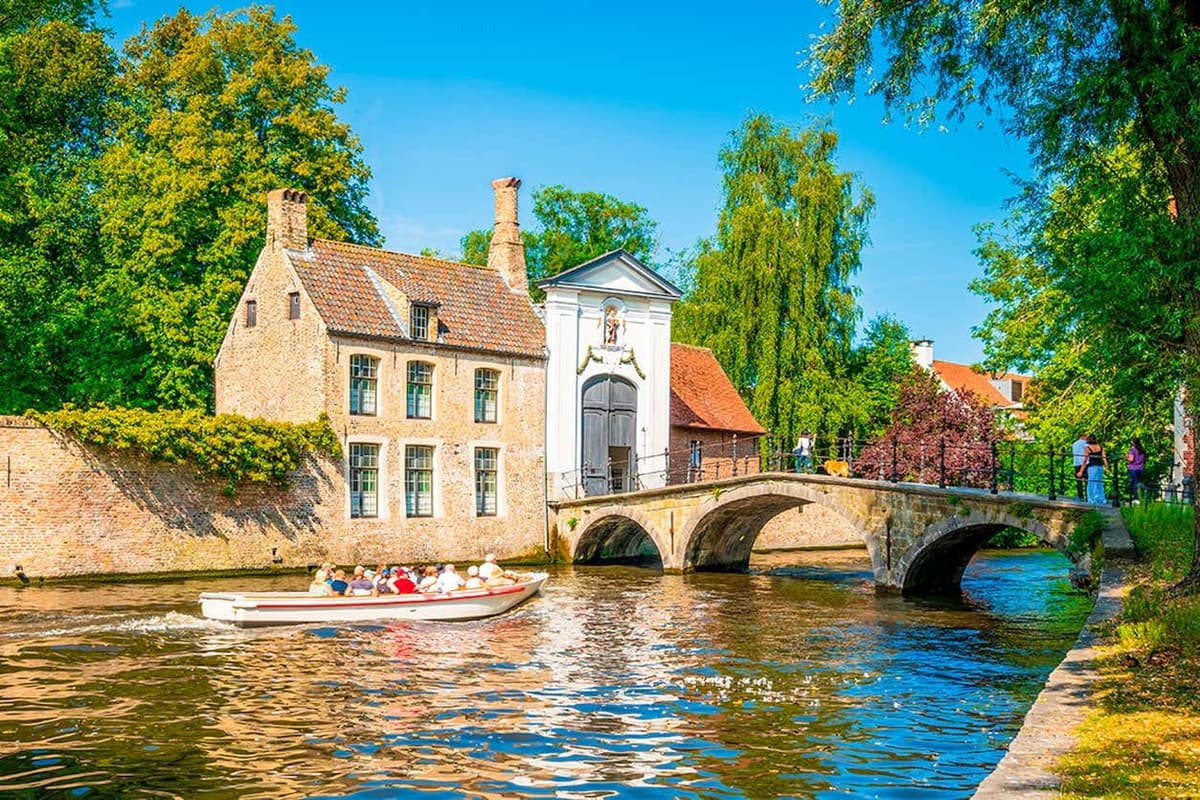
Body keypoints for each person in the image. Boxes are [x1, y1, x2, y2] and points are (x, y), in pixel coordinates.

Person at [1079, 435, 1108, 505]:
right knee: (1099, 483)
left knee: (1091, 483)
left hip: (1092, 467)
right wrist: (1107, 467)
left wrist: (1081, 471)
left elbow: (1085, 460)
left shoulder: (1088, 448)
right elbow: (1104, 458)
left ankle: (1092, 500)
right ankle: (1101, 499)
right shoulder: (1100, 447)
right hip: (1100, 467)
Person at [1126, 437, 1146, 501]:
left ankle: (1137, 498)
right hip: (1140, 468)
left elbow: (1131, 459)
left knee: (1134, 484)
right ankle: (1140, 497)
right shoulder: (1142, 450)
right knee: (1138, 483)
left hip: (1133, 468)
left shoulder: (1133, 450)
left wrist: (1126, 457)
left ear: (1133, 443)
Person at [1072, 433, 1089, 501]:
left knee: (1079, 481)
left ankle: (1080, 495)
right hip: (1084, 463)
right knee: (1087, 480)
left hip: (1076, 463)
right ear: (1083, 436)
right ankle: (1088, 496)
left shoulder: (1074, 444)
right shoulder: (1085, 443)